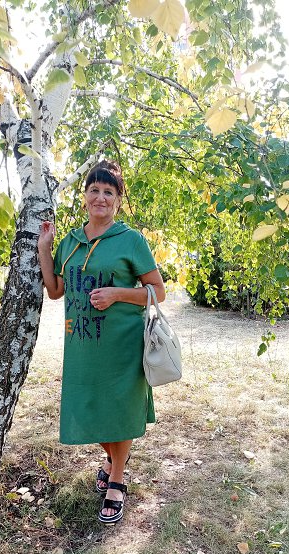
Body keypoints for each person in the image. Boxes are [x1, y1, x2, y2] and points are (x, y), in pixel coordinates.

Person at [37, 160, 165, 523]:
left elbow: (158, 292)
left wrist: (117, 294)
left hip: (122, 345)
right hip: (81, 346)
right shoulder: (71, 242)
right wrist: (45, 248)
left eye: (109, 192)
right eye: (94, 190)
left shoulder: (131, 240)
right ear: (85, 197)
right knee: (90, 408)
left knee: (119, 411)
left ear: (118, 201)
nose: (101, 197)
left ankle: (117, 478)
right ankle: (114, 457)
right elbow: (55, 290)